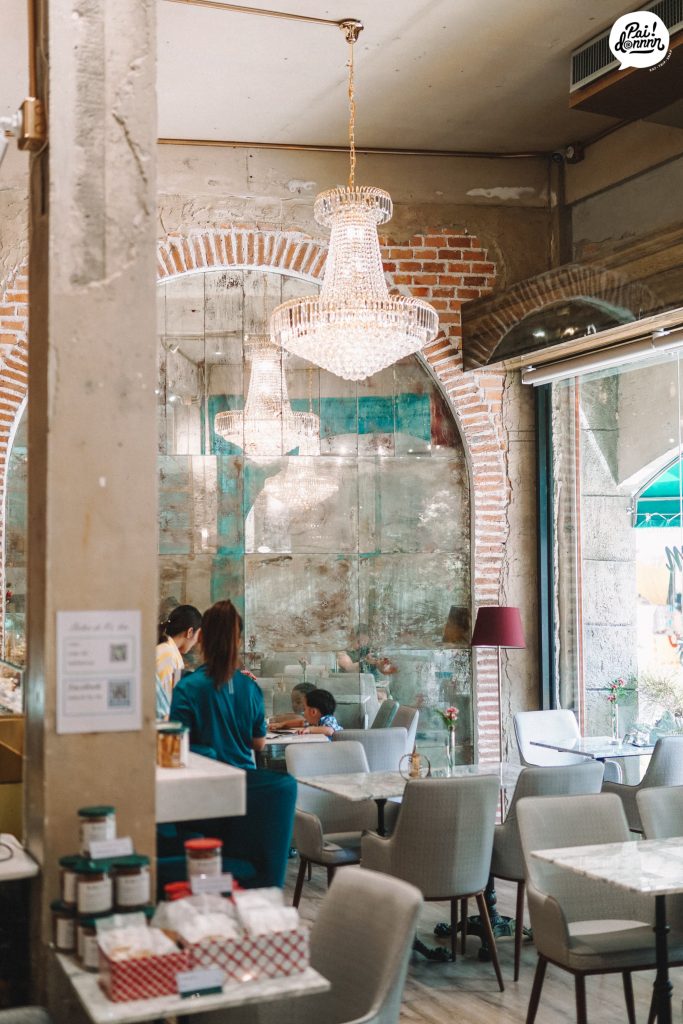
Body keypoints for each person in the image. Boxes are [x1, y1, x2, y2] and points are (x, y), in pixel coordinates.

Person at [169, 599, 297, 889]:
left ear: (202, 638)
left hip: (200, 801)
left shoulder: (188, 688)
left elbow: (177, 745)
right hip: (246, 797)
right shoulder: (249, 687)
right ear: (237, 641)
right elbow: (259, 743)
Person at [155, 604, 202, 719]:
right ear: (190, 632)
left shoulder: (168, 650)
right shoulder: (168, 654)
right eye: (198, 635)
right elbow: (166, 701)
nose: (196, 641)